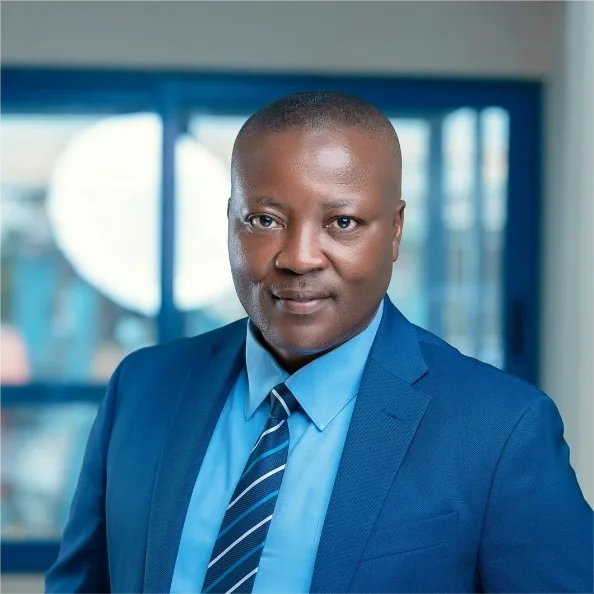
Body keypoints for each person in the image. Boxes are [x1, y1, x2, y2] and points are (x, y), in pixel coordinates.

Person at [45, 91, 594, 594]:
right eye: (264, 220)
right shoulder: (142, 388)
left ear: (395, 230)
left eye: (343, 223)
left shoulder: (499, 430)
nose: (298, 257)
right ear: (230, 223)